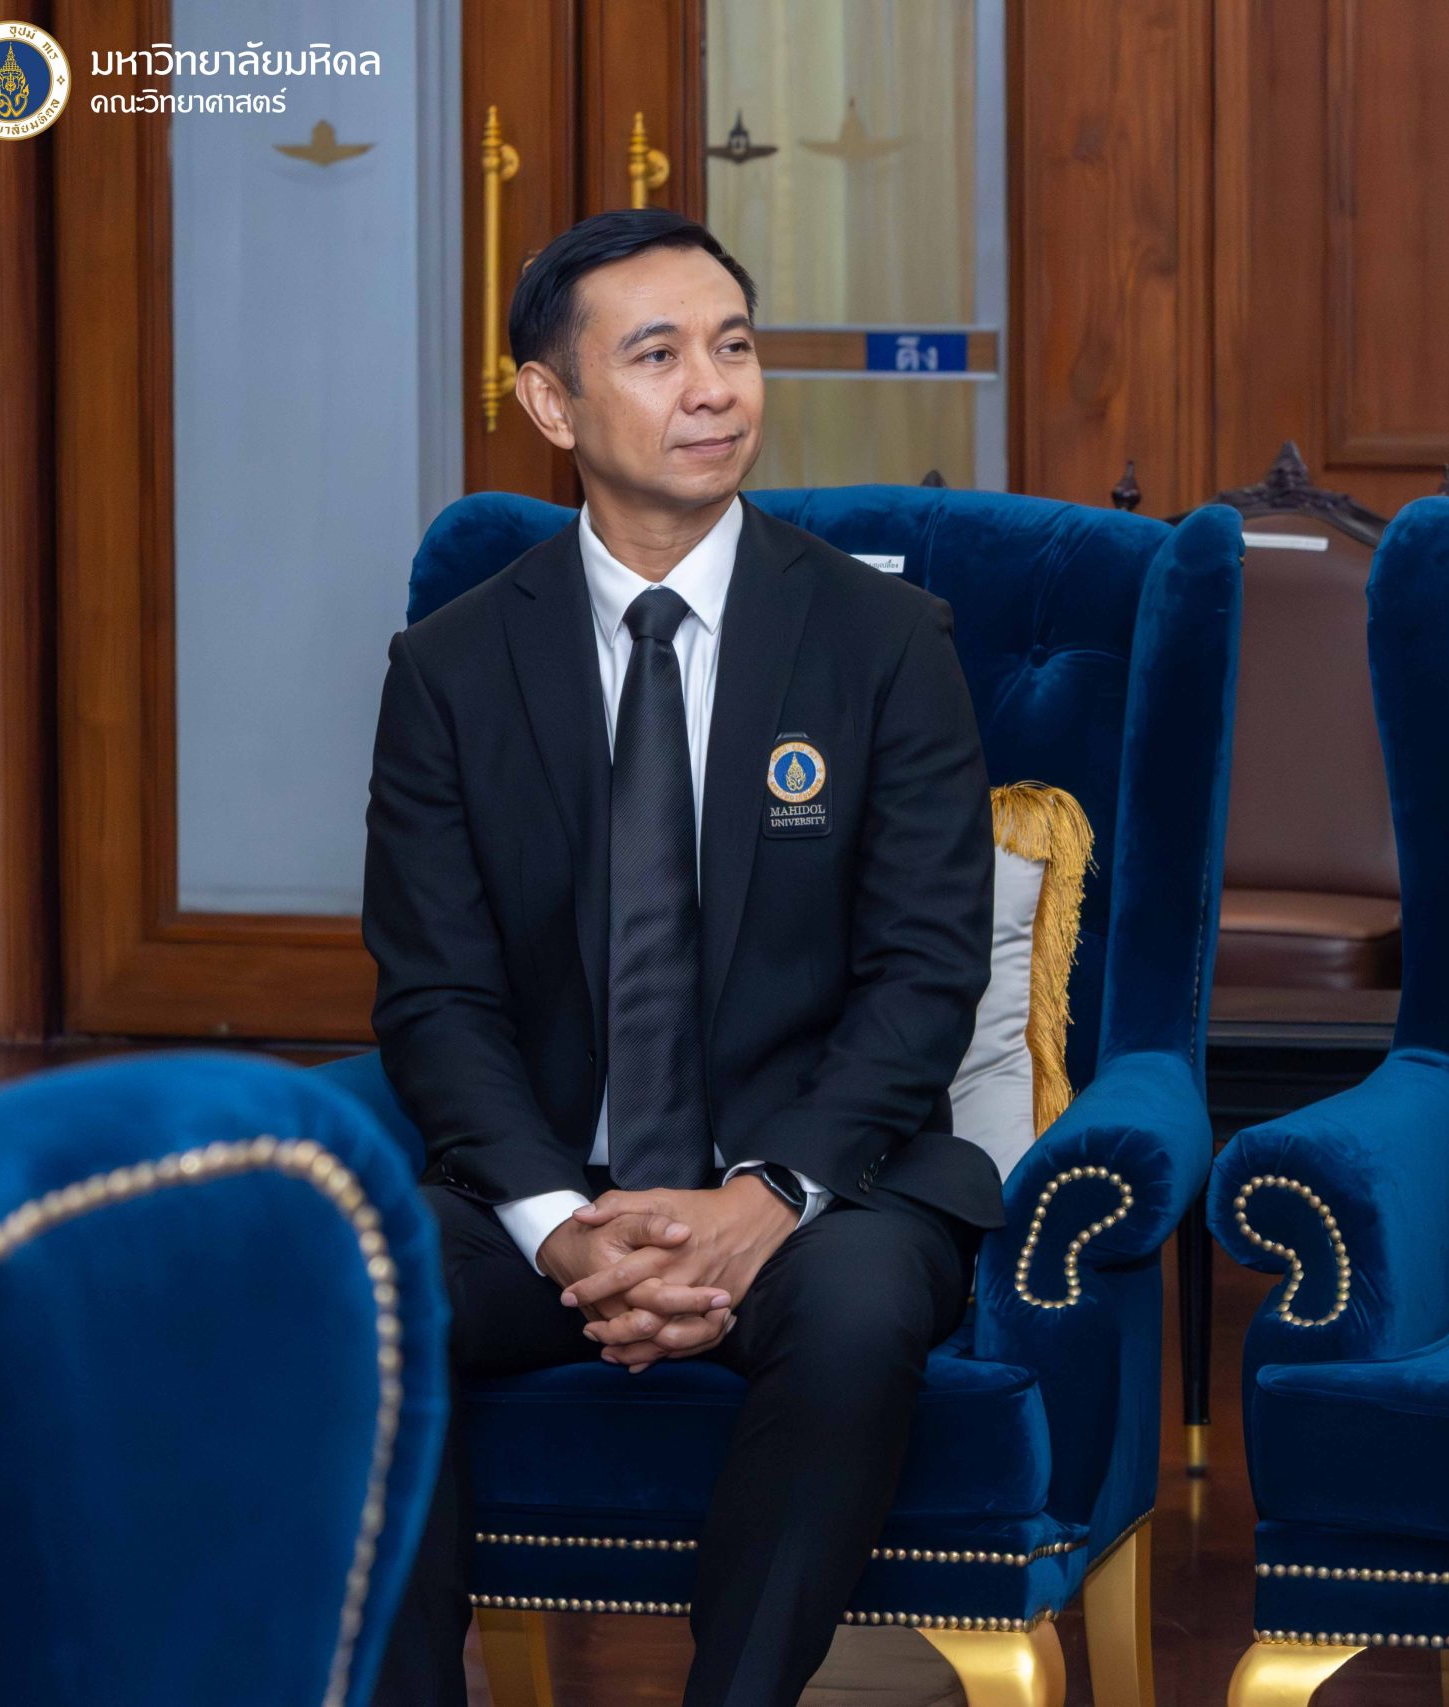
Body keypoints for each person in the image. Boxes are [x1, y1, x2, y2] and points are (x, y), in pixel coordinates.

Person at [365, 207, 1000, 1706]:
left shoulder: (883, 639)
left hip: (819, 1189)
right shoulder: (451, 669)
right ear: (552, 401)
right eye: (658, 355)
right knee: (356, 1287)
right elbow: (436, 995)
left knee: (859, 1310)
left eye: (734, 345)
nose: (715, 388)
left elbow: (923, 974)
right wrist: (560, 1228)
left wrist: (760, 1199)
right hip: (548, 1189)